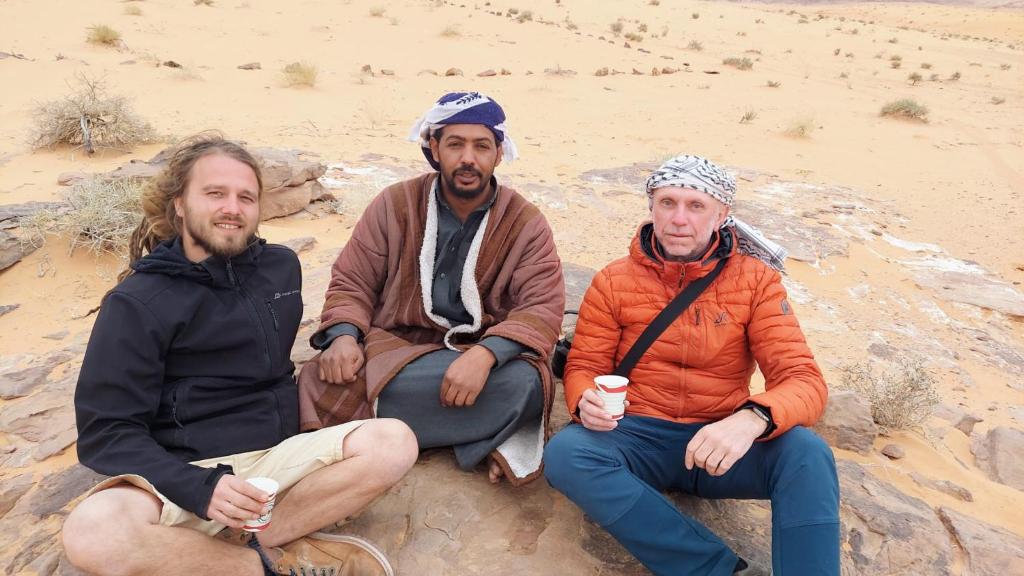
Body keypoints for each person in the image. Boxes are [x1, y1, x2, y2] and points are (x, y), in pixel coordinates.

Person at [62, 134, 418, 576]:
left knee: (394, 442)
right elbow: (106, 432)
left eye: (245, 196)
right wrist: (200, 487)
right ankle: (258, 566)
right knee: (93, 533)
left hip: (276, 464)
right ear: (179, 204)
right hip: (181, 473)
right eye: (215, 193)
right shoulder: (137, 302)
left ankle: (262, 538)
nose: (232, 208)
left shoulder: (280, 267)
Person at [543, 155, 840, 575]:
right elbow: (585, 364)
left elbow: (804, 380)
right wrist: (583, 400)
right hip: (635, 436)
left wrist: (752, 419)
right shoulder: (613, 281)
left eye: (695, 206)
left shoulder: (756, 282)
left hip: (719, 441)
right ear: (651, 208)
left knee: (807, 453)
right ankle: (712, 569)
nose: (679, 219)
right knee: (568, 454)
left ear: (722, 215)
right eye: (667, 203)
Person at [298, 92, 564, 485]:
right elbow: (353, 280)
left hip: (482, 357)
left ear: (499, 153)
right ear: (435, 148)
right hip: (394, 349)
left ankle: (376, 433)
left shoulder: (525, 220)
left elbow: (542, 305)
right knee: (319, 378)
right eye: (455, 144)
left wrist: (487, 356)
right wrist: (343, 336)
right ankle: (475, 433)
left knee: (526, 385)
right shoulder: (394, 204)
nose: (468, 158)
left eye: (481, 146)